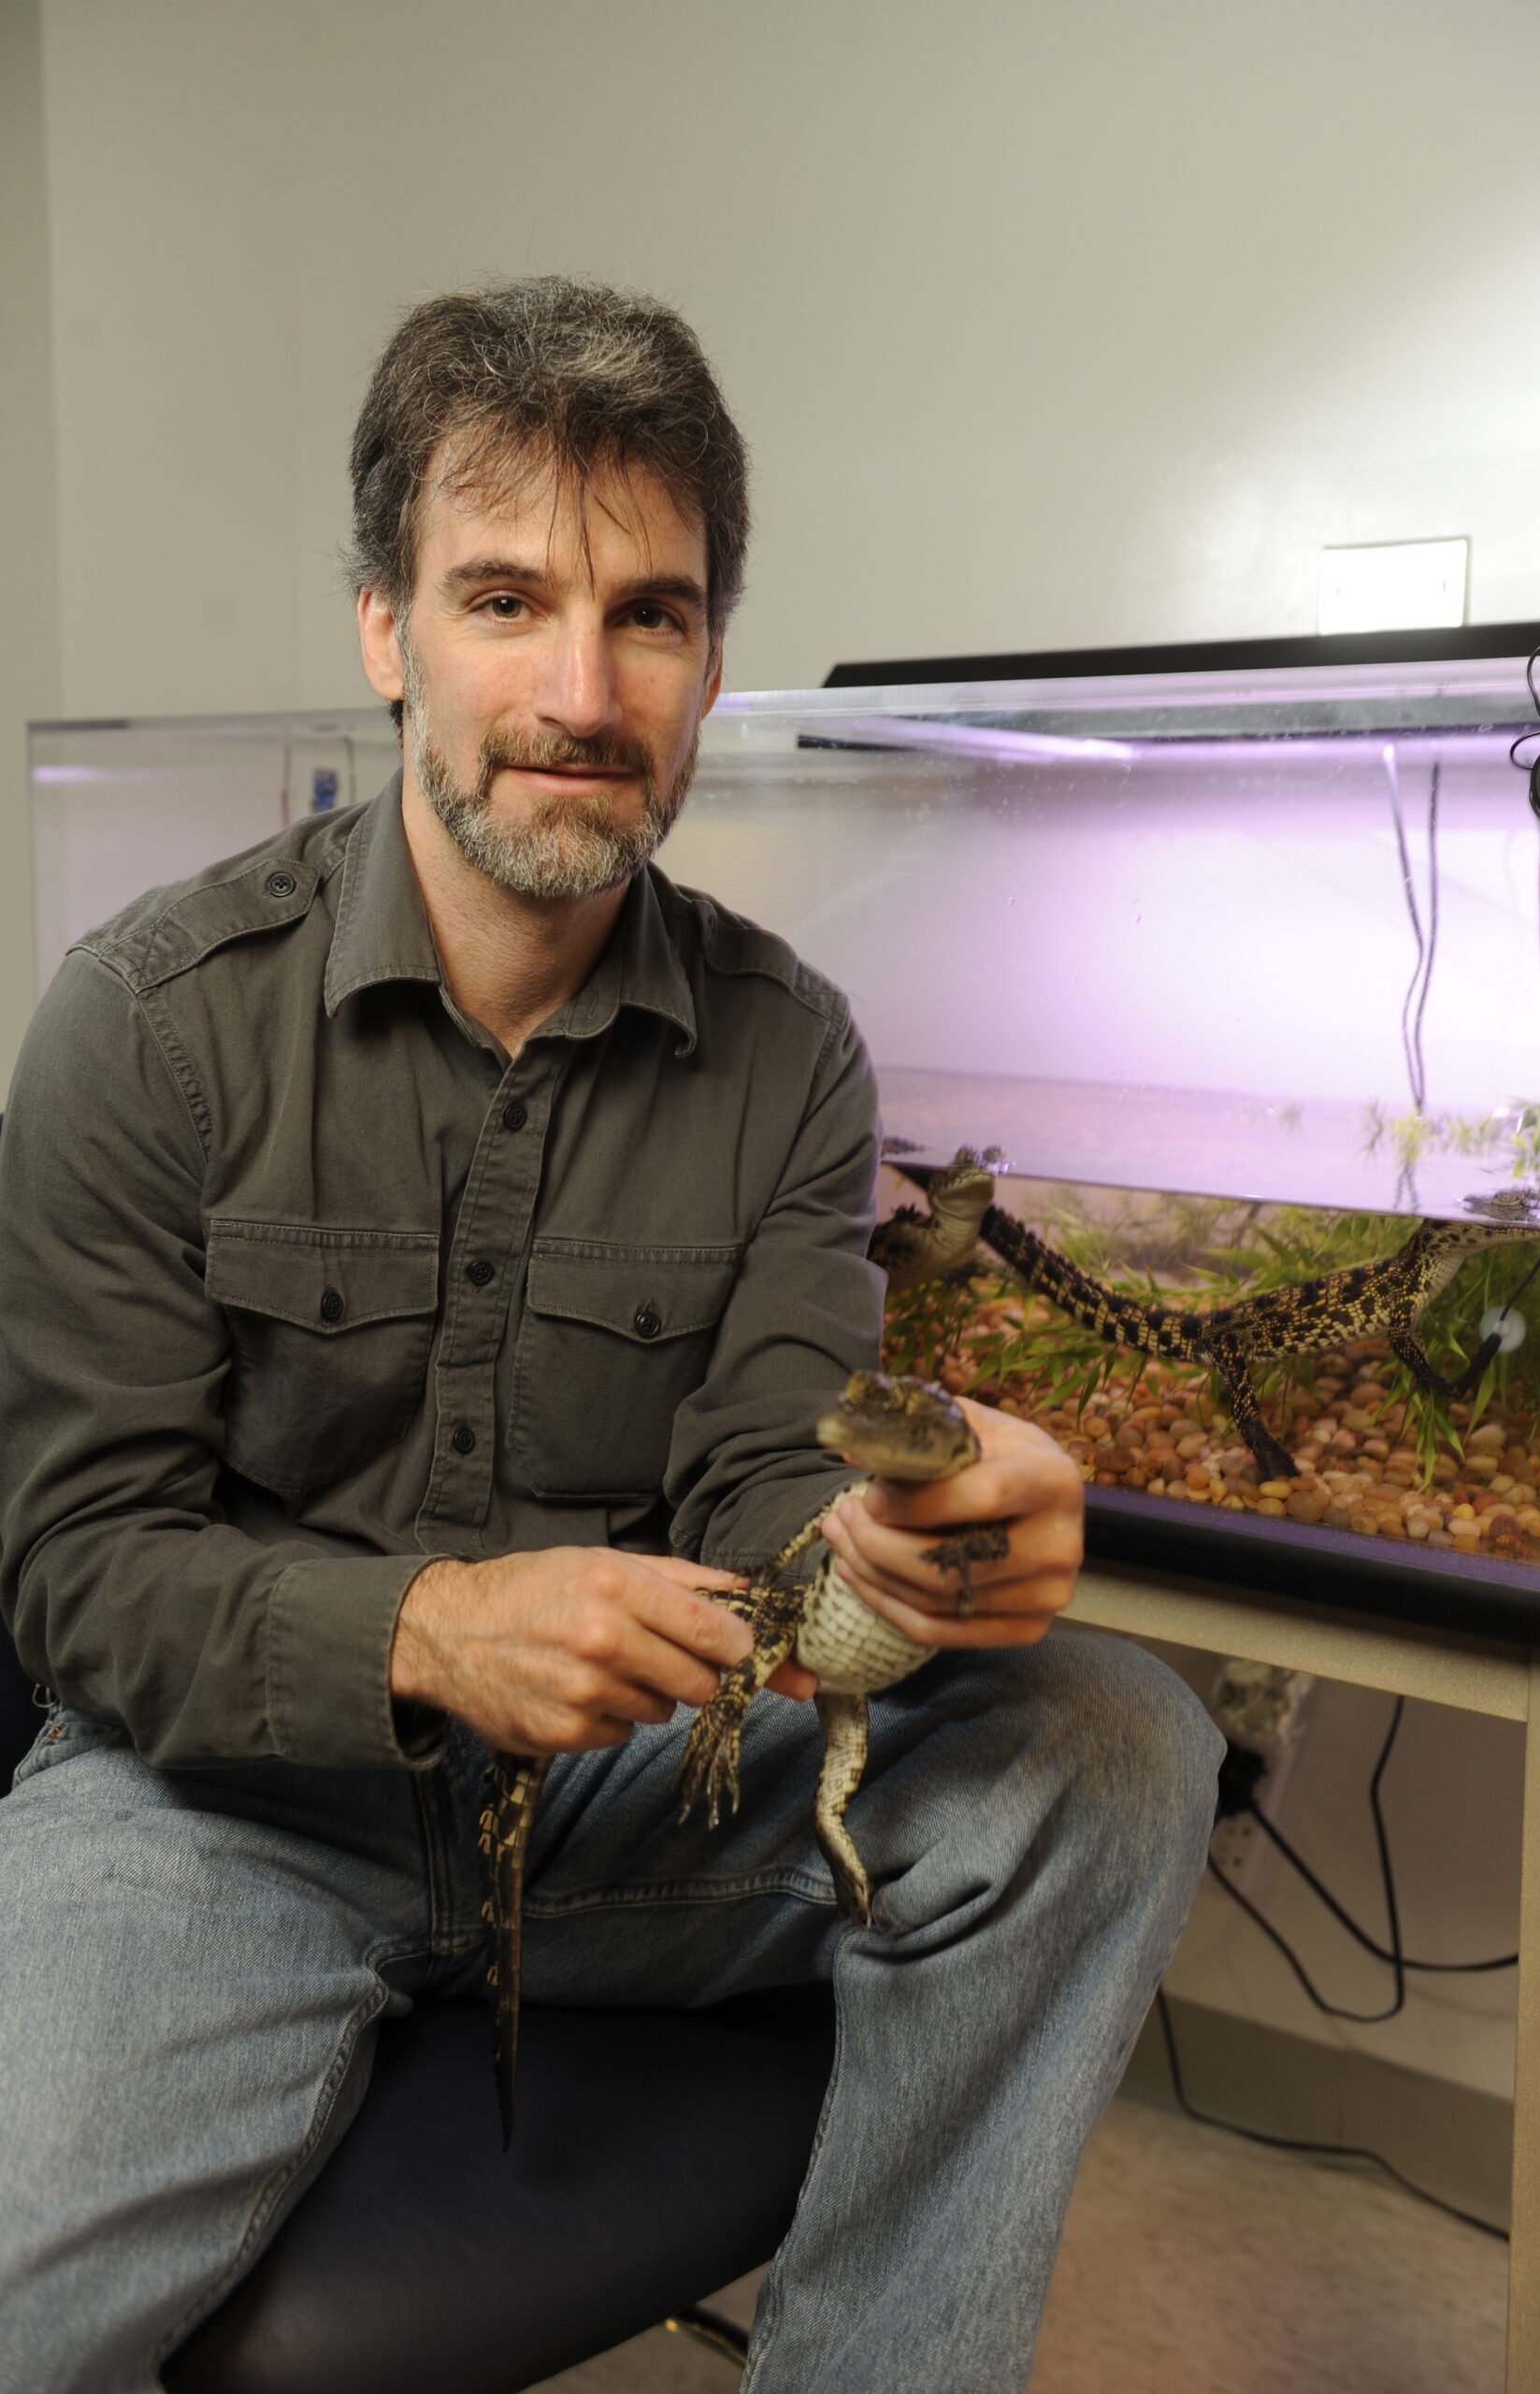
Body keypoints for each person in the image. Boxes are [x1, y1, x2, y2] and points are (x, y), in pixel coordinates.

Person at [0, 276, 1221, 2393]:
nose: (582, 688)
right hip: (214, 1807)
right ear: (386, 627)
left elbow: (771, 1481)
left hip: (639, 1801)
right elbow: (80, 1573)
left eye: (649, 614)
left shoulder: (790, 1048)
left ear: (712, 657)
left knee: (1120, 1744)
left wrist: (903, 1540)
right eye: (504, 599)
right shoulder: (146, 1018)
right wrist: (429, 1625)